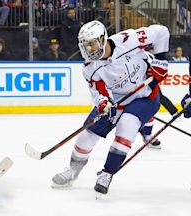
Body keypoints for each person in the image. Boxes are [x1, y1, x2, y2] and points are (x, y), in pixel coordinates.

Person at [51, 21, 170, 195]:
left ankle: (107, 173)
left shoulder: (129, 40)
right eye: (86, 45)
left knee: (127, 125)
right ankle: (73, 171)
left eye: (92, 43)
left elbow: (161, 31)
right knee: (86, 136)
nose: (89, 49)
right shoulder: (90, 67)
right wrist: (103, 102)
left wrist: (161, 61)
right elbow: (99, 91)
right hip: (117, 101)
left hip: (145, 95)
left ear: (102, 38)